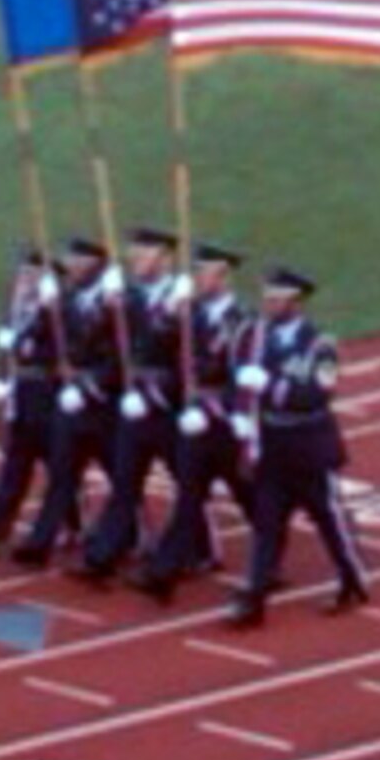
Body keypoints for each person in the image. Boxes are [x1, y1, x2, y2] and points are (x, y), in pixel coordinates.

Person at [227, 266, 368, 629]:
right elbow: (241, 380)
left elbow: (314, 396)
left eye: (277, 299)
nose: (269, 305)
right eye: (267, 298)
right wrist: (243, 419)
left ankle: (352, 578)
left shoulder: (321, 346)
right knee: (266, 523)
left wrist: (269, 385)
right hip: (273, 445)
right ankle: (254, 597)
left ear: (296, 302)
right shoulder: (257, 337)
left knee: (328, 518)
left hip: (308, 445)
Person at [130, 242, 255, 603]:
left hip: (226, 425)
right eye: (197, 271)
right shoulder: (190, 313)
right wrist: (170, 312)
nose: (199, 278)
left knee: (248, 497)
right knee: (188, 496)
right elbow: (155, 345)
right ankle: (162, 574)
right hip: (194, 424)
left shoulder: (242, 322)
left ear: (224, 276)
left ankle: (269, 559)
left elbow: (244, 377)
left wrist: (215, 410)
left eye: (206, 272)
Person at [70, 227, 185, 581]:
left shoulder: (182, 298)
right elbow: (90, 344)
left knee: (189, 483)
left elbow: (181, 356)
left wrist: (170, 312)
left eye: (145, 253)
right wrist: (105, 309)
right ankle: (101, 557)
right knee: (124, 481)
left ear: (166, 257)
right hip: (134, 403)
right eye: (134, 252)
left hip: (171, 407)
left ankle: (197, 551)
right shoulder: (128, 296)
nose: (136, 259)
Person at [0, 249, 74, 559]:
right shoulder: (18, 307)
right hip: (23, 393)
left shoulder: (60, 309)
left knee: (58, 467)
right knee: (15, 465)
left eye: (33, 275)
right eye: (23, 274)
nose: (25, 280)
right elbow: (6, 348)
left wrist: (50, 308)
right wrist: (1, 387)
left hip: (50, 394)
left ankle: (64, 530)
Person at [10, 238, 122, 566]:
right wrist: (44, 308)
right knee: (62, 473)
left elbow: (121, 354)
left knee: (122, 478)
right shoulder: (66, 299)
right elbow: (44, 338)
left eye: (79, 260)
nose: (71, 266)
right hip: (70, 403)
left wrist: (91, 386)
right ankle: (39, 543)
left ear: (97, 264)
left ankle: (131, 537)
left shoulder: (115, 300)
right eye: (70, 259)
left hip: (104, 404)